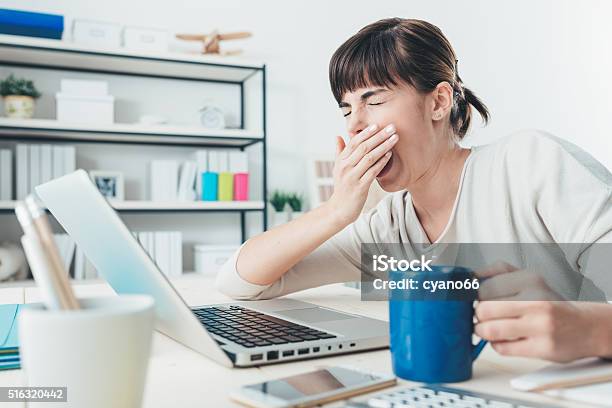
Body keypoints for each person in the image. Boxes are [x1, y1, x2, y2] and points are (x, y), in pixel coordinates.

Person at [217, 18, 612, 363]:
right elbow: (243, 282)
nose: (354, 125)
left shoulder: (531, 163)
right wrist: (335, 211)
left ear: (439, 101)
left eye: (373, 99)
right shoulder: (389, 227)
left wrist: (592, 330)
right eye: (346, 109)